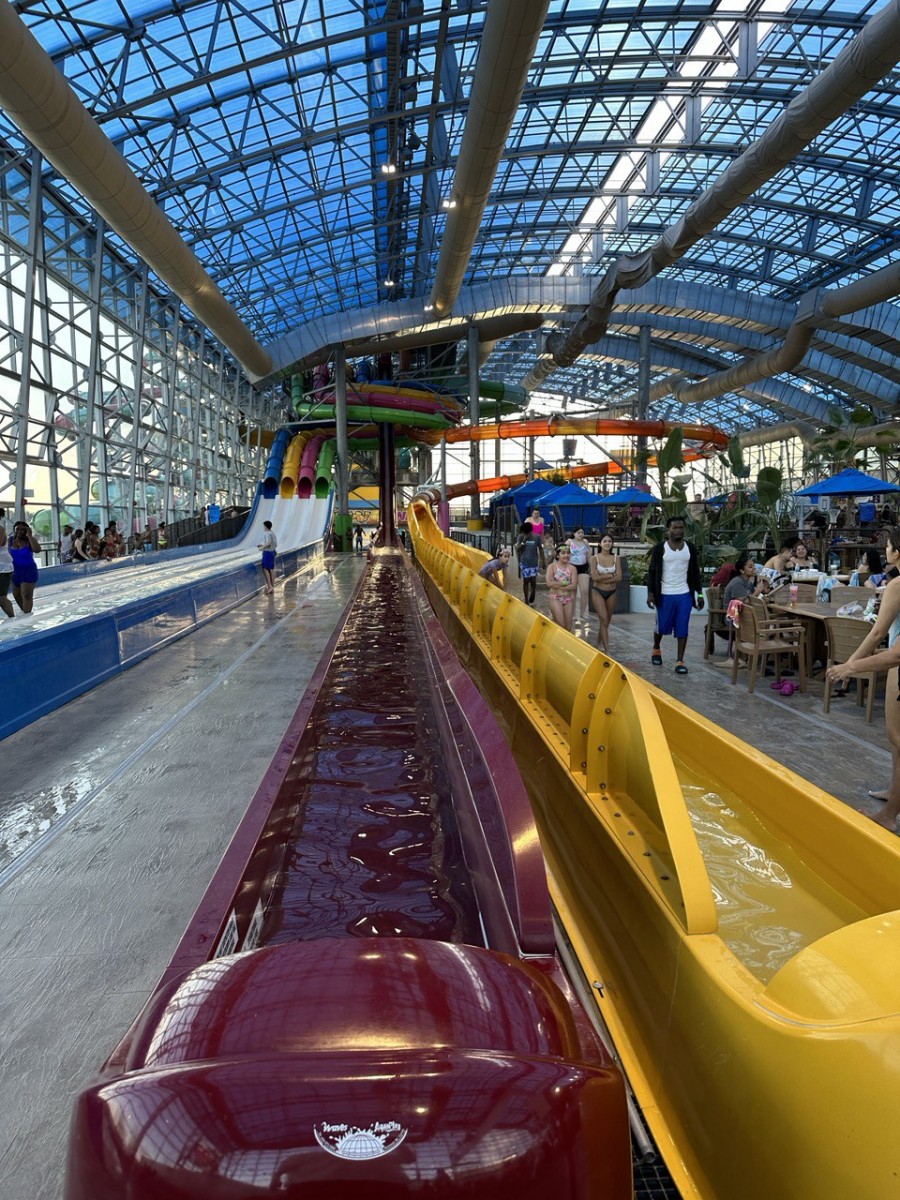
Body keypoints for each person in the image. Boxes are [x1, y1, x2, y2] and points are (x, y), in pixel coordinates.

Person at [828, 531, 900, 830]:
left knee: (897, 739)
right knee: (897, 743)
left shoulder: (897, 585)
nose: (885, 552)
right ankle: (895, 794)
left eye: (887, 547)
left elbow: (879, 636)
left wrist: (850, 666)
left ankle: (889, 815)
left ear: (896, 552)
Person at [647, 515, 704, 674]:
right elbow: (652, 572)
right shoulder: (660, 548)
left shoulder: (690, 548)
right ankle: (656, 648)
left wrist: (699, 594)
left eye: (681, 527)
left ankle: (680, 661)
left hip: (684, 594)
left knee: (682, 626)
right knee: (661, 626)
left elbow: (695, 572)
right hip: (664, 593)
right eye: (675, 528)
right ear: (668, 530)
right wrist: (650, 593)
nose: (678, 530)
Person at [589, 533, 622, 653]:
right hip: (598, 591)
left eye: (609, 541)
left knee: (606, 621)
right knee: (603, 619)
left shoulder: (616, 558)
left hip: (612, 592)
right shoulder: (594, 558)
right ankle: (607, 651)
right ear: (600, 543)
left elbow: (619, 577)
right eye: (604, 541)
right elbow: (594, 577)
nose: (607, 543)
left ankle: (598, 642)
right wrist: (611, 575)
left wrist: (603, 576)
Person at [9, 520, 40, 614]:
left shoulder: (29, 540)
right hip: (15, 572)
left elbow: (37, 549)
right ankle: (26, 614)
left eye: (23, 529)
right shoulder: (10, 540)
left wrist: (30, 536)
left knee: (26, 595)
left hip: (28, 571)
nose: (20, 531)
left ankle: (27, 615)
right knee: (16, 595)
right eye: (17, 529)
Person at [547, 544, 578, 630]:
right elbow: (549, 583)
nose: (566, 555)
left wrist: (557, 584)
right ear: (557, 555)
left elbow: (574, 586)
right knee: (561, 624)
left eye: (568, 553)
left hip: (568, 599)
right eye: (563, 553)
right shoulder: (552, 567)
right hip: (555, 598)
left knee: (568, 627)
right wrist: (565, 582)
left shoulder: (572, 568)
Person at [515, 521, 544, 605]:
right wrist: (524, 540)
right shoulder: (521, 537)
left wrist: (543, 561)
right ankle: (526, 600)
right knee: (526, 580)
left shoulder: (537, 537)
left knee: (533, 580)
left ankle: (533, 591)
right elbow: (517, 549)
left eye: (526, 532)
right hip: (524, 562)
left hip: (534, 562)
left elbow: (540, 548)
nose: (525, 534)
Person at [566, 526, 591, 623]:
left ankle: (582, 613)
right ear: (574, 533)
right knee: (573, 592)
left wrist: (591, 567)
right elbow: (564, 555)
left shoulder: (585, 542)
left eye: (582, 532)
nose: (580, 534)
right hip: (572, 567)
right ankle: (572, 614)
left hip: (583, 567)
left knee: (584, 590)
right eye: (578, 533)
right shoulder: (569, 542)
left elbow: (589, 555)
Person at [258, 519, 277, 594]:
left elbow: (269, 543)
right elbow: (273, 543)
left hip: (267, 553)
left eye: (263, 526)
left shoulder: (267, 533)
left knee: (265, 569)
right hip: (272, 552)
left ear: (265, 526)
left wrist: (262, 548)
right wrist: (263, 545)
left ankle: (270, 586)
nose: (263, 527)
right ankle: (272, 586)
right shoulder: (272, 533)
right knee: (271, 569)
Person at [0, 524, 14, 618]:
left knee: (2, 598)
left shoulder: (0, 529)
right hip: (3, 567)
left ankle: (12, 618)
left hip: (2, 568)